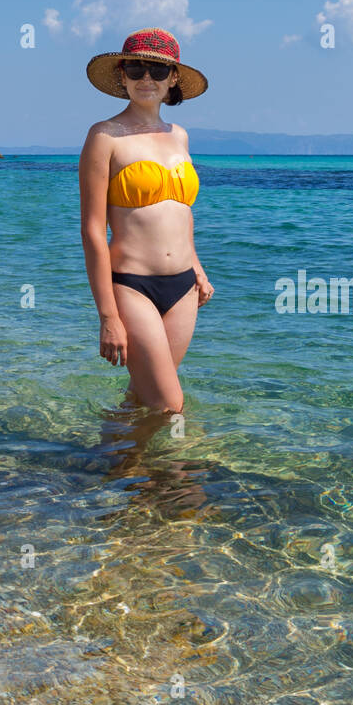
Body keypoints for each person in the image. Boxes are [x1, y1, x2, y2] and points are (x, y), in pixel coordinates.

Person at [79, 28, 214, 415]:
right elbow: (92, 229)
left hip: (184, 288)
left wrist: (199, 269)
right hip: (132, 287)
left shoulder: (180, 136)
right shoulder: (105, 136)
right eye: (136, 69)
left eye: (157, 71)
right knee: (169, 404)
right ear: (122, 75)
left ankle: (121, 471)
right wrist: (107, 316)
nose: (146, 80)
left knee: (142, 399)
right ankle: (168, 474)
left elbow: (181, 210)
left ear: (173, 79)